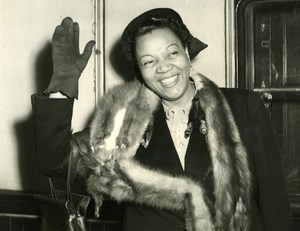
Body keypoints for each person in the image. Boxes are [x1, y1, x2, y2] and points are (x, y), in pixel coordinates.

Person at [32, 8, 294, 231]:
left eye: (172, 53)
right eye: (149, 61)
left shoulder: (242, 106)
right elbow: (57, 163)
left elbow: (275, 204)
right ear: (140, 73)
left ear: (187, 55)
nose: (164, 67)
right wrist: (60, 89)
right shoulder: (121, 122)